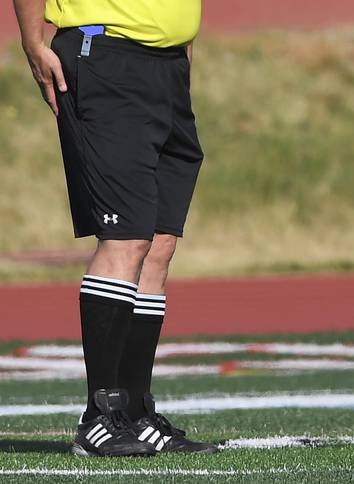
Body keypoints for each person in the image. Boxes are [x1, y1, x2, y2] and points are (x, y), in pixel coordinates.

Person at [13, 0, 217, 456]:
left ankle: (135, 412)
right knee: (126, 237)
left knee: (160, 242)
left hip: (168, 66)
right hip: (105, 56)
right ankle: (99, 415)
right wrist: (32, 41)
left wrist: (178, 50)